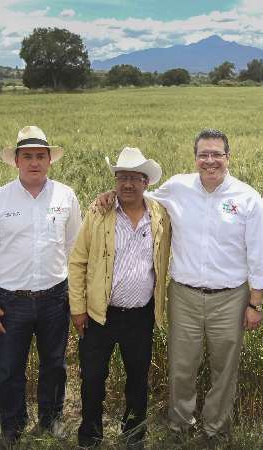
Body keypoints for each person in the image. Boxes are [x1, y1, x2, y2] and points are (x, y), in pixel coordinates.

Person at [93, 128, 263, 441]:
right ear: (195, 158)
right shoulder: (177, 187)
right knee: (181, 365)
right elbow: (140, 198)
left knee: (224, 367)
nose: (210, 160)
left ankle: (216, 427)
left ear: (228, 158)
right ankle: (180, 424)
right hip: (184, 295)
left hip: (231, 297)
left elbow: (259, 254)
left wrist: (255, 303)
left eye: (217, 154)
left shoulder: (247, 198)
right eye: (204, 154)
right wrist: (110, 195)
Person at [0, 125, 81, 444]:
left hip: (55, 298)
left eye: (40, 156)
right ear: (16, 161)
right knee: (9, 369)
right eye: (27, 156)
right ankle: (12, 425)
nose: (34, 162)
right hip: (11, 300)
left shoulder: (66, 196)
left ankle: (51, 419)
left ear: (50, 160)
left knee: (54, 365)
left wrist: (76, 298)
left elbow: (76, 248)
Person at [69, 147, 171, 449]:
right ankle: (90, 435)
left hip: (141, 315)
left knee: (138, 380)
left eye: (135, 178)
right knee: (92, 379)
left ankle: (134, 434)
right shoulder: (99, 213)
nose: (127, 184)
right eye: (121, 177)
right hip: (101, 314)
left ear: (146, 182)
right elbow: (77, 262)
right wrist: (78, 308)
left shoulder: (161, 215)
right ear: (114, 181)